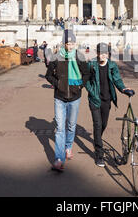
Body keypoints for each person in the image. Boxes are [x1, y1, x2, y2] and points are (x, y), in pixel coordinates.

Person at [45, 30, 90, 172]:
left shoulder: (79, 56)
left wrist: (80, 85)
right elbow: (48, 75)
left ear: (74, 43)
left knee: (71, 125)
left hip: (75, 97)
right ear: (63, 43)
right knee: (59, 129)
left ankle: (68, 146)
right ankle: (59, 159)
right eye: (67, 43)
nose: (70, 46)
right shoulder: (56, 56)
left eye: (72, 43)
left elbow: (87, 74)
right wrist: (57, 83)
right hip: (59, 96)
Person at [85, 42, 132, 167]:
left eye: (105, 53)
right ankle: (99, 155)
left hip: (107, 100)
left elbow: (117, 79)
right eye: (101, 53)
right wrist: (91, 91)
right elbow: (86, 80)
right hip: (95, 100)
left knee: (103, 124)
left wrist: (123, 89)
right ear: (98, 53)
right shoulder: (91, 64)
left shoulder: (112, 66)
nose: (103, 56)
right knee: (98, 125)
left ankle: (97, 140)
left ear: (108, 54)